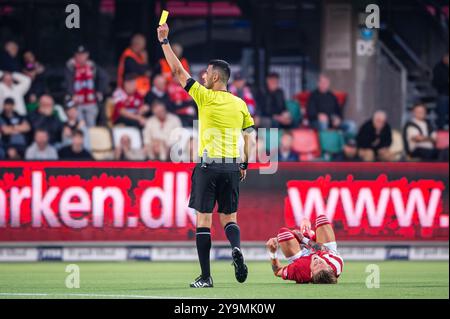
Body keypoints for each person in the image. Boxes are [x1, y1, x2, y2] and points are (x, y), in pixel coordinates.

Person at [157, 22, 257, 288]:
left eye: (206, 73)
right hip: (232, 167)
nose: (202, 76)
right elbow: (250, 136)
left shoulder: (204, 97)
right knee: (229, 219)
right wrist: (244, 163)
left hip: (207, 167)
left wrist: (165, 42)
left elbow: (177, 71)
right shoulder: (240, 104)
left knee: (203, 220)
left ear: (215, 79)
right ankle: (235, 248)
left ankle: (206, 276)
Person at [266, 215, 344, 284]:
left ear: (311, 274)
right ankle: (308, 234)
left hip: (301, 257)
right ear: (329, 267)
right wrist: (304, 239)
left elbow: (277, 271)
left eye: (316, 265)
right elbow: (323, 249)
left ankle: (305, 235)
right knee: (322, 219)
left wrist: (272, 252)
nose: (317, 260)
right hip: (323, 250)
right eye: (321, 263)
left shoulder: (300, 271)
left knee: (283, 234)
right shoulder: (335, 263)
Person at [64, 45, 109, 127]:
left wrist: (99, 91)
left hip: (91, 101)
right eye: (78, 55)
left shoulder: (92, 66)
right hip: (76, 102)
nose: (81, 57)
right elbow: (68, 83)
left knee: (91, 123)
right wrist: (72, 94)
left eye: (83, 54)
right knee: (79, 124)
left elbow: (104, 77)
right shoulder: (70, 66)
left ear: (87, 55)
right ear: (75, 55)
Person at [432, 52, 449, 129]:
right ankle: (441, 132)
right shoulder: (438, 67)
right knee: (442, 115)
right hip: (443, 94)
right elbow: (435, 82)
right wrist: (446, 81)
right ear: (444, 57)